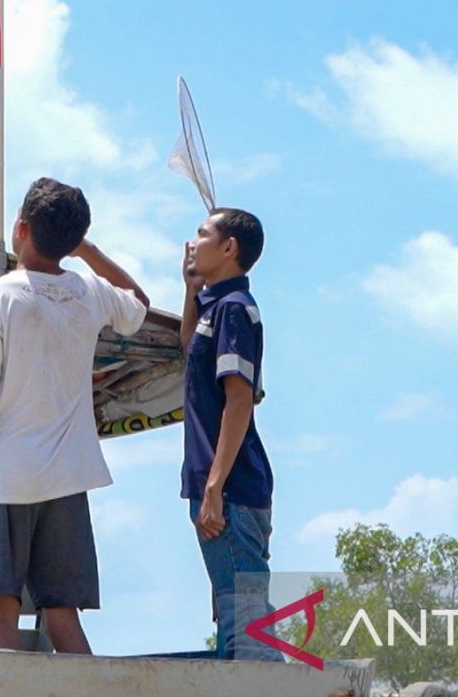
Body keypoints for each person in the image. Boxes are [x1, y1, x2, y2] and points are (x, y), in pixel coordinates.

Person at [0, 177, 150, 654]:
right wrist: (90, 252)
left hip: (2, 480)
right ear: (73, 239)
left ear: (21, 228)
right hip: (67, 477)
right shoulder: (88, 293)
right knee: (63, 617)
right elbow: (137, 302)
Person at [180, 207, 281, 661]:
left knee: (245, 628)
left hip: (232, 488)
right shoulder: (217, 308)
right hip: (221, 488)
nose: (192, 242)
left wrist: (215, 487)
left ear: (229, 248)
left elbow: (239, 400)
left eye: (202, 234)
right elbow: (191, 351)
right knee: (237, 614)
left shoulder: (236, 311)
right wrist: (190, 291)